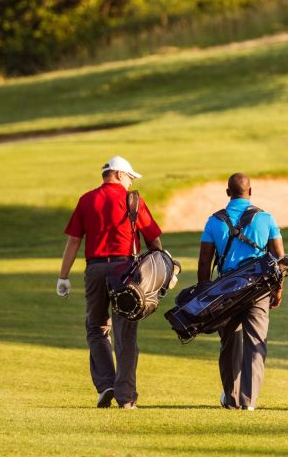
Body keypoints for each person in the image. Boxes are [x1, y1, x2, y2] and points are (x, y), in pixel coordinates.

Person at [57, 156, 163, 409]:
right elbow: (154, 240)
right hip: (126, 271)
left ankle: (106, 384)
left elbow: (74, 241)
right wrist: (163, 270)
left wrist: (63, 276)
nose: (130, 182)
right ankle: (126, 398)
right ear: (117, 174)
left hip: (94, 269)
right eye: (129, 177)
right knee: (124, 333)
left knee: (96, 327)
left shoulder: (86, 199)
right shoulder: (132, 200)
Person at [197, 173, 285, 411]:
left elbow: (205, 262)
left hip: (226, 291)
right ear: (250, 191)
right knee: (256, 343)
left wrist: (203, 295)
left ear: (228, 193)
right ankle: (248, 402)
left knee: (229, 345)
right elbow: (280, 259)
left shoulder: (214, 221)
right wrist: (278, 290)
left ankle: (231, 397)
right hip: (259, 289)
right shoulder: (266, 218)